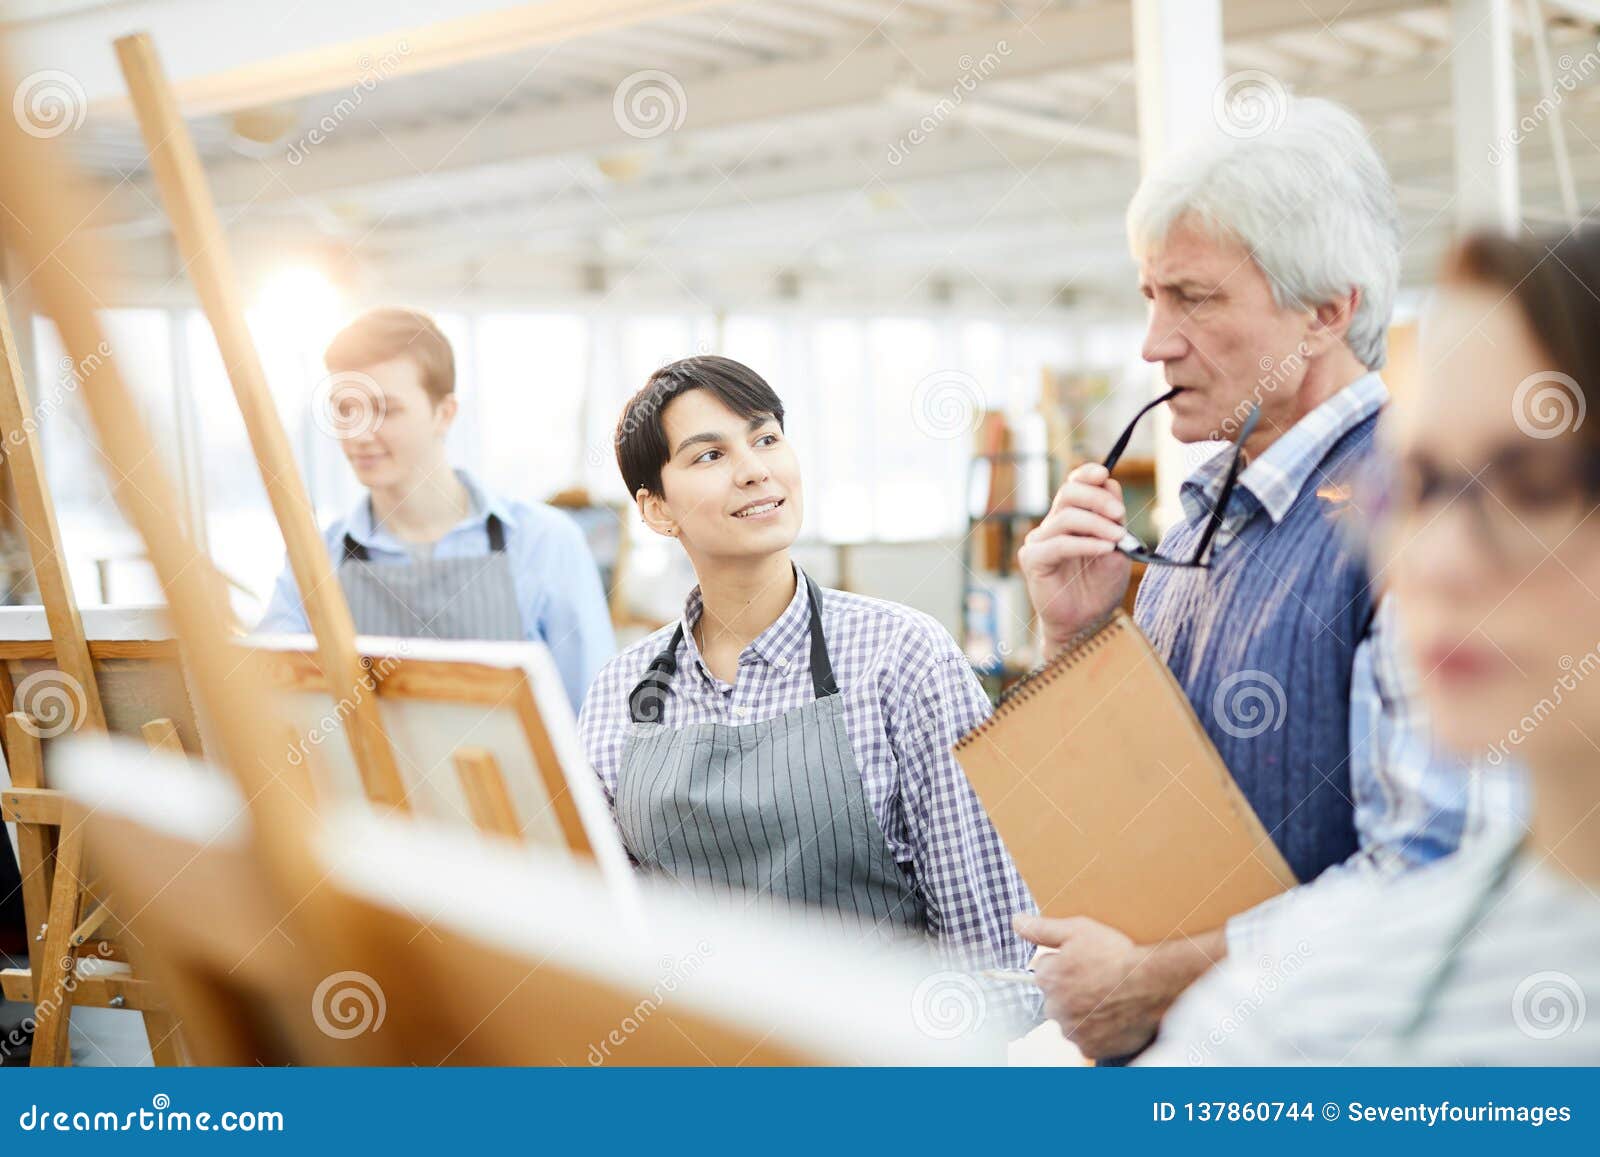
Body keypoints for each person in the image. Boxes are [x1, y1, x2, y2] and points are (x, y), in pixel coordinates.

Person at [1009, 97, 1519, 1060]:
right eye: (1148, 295)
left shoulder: (1423, 526)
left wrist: (1152, 980)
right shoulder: (1200, 518)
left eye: (1193, 299)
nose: (1153, 343)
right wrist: (1075, 642)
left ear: (1327, 312)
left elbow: (1433, 873)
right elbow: (1140, 813)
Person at [1143, 227, 1600, 1065]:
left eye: (1533, 482)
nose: (1433, 560)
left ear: (1327, 314)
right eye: (1418, 485)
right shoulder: (1311, 1005)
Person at [578, 355, 1036, 996]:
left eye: (766, 438)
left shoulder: (902, 658)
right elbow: (607, 935)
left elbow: (997, 958)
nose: (755, 470)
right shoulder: (619, 694)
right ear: (656, 511)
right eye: (709, 456)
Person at [256, 307, 614, 711]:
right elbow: (272, 704)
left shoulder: (543, 542)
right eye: (345, 410)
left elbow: (595, 719)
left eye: (386, 410)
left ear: (444, 414)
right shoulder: (316, 560)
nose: (358, 432)